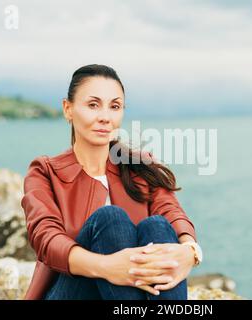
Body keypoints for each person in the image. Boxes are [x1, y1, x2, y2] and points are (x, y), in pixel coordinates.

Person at [21, 64, 202, 300]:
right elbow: (46, 239)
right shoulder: (45, 172)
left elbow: (171, 211)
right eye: (93, 105)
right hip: (71, 292)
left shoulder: (141, 167)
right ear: (68, 109)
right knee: (110, 218)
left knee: (157, 226)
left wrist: (190, 252)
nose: (105, 117)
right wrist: (107, 267)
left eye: (114, 106)